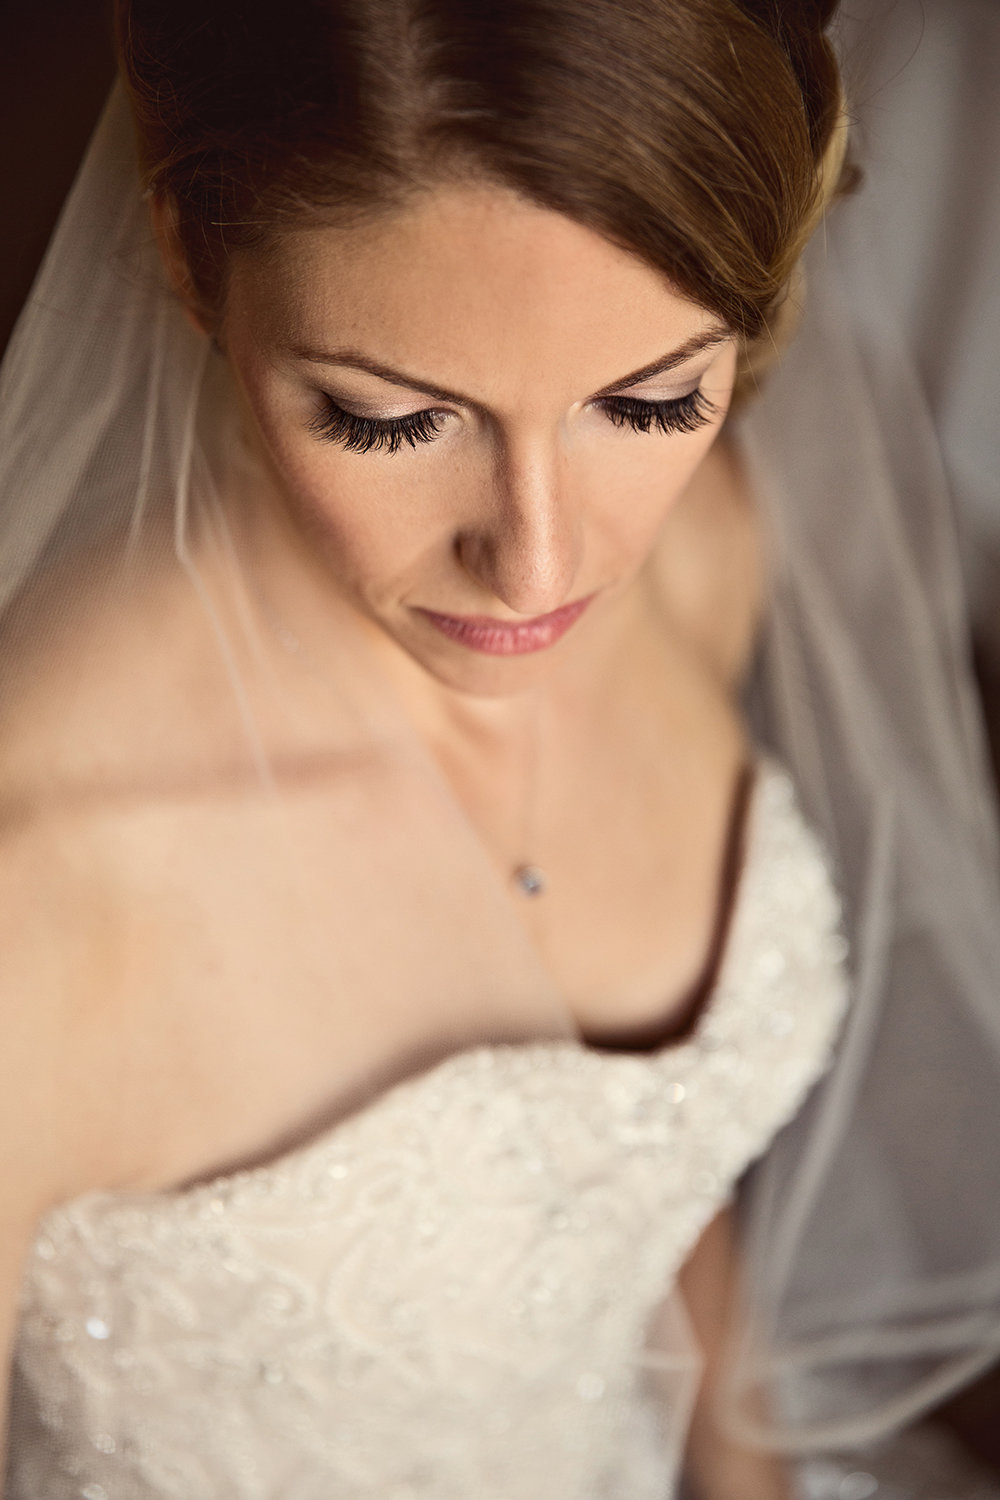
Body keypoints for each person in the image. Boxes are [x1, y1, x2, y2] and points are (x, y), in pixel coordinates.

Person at [1, 2, 999, 1497]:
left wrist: (747, 1473)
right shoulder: (39, 882)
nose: (537, 568)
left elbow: (646, 1192)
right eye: (391, 421)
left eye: (651, 399)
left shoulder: (703, 556)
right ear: (189, 256)